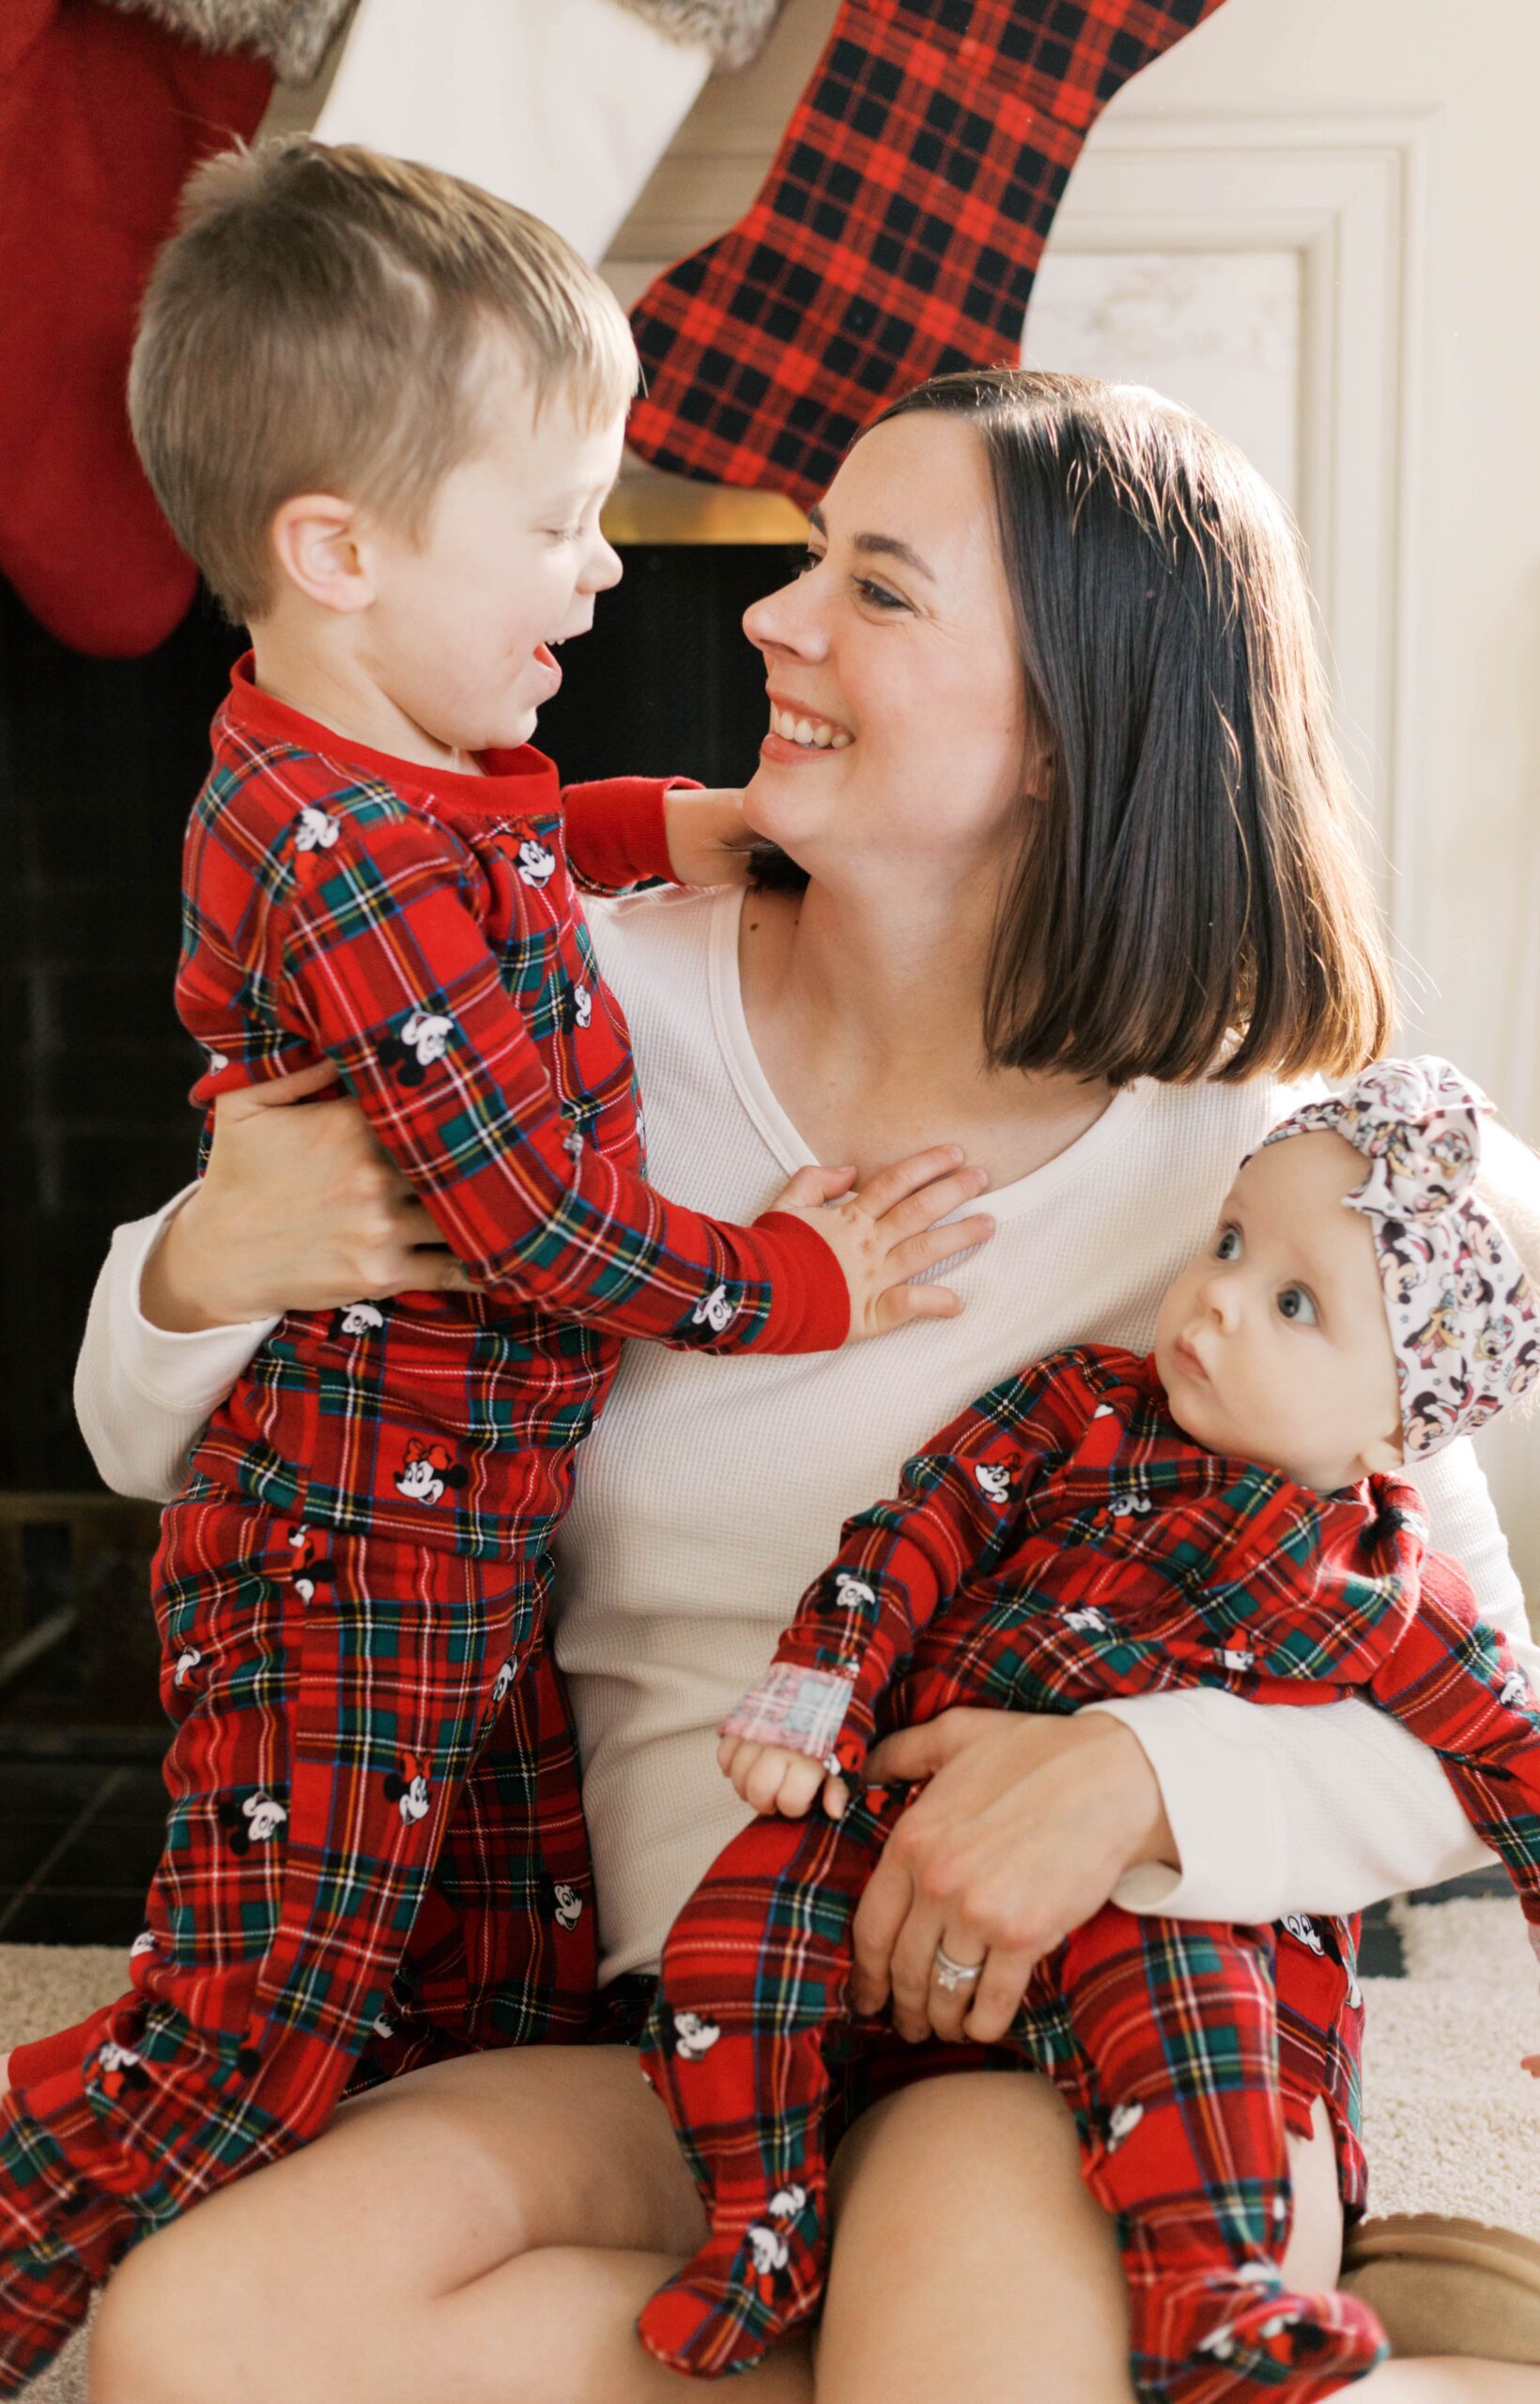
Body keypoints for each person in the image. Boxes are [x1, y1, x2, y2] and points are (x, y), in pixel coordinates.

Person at [72, 372, 1540, 2404]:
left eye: (876, 585)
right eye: (798, 564)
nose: (770, 619)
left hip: (1080, 2023)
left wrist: (1144, 1781)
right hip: (671, 2009)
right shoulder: (557, 982)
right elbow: (143, 1432)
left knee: (965, 2333)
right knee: (191, 2344)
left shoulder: (1254, 1158)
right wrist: (201, 1262)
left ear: (1063, 730)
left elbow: (1471, 1692)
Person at [0, 146, 991, 2399]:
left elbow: (520, 838)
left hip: (469, 1540)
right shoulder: (338, 857)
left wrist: (671, 820)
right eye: (553, 521)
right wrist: (789, 1276)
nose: (605, 559)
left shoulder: (398, 770)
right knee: (235, 2035)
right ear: (337, 550)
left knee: (497, 1976)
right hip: (353, 1552)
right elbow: (538, 1227)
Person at [639, 1059, 1540, 2396]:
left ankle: (1215, 2305)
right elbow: (913, 1536)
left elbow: (1513, 1759)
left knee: (1197, 2047)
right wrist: (818, 1687)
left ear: (1402, 1420)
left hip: (1155, 1910)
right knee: (723, 1955)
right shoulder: (1079, 1408)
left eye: (1295, 1305)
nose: (1221, 1296)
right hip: (894, 1824)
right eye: (1230, 1243)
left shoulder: (1386, 1583)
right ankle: (761, 2221)